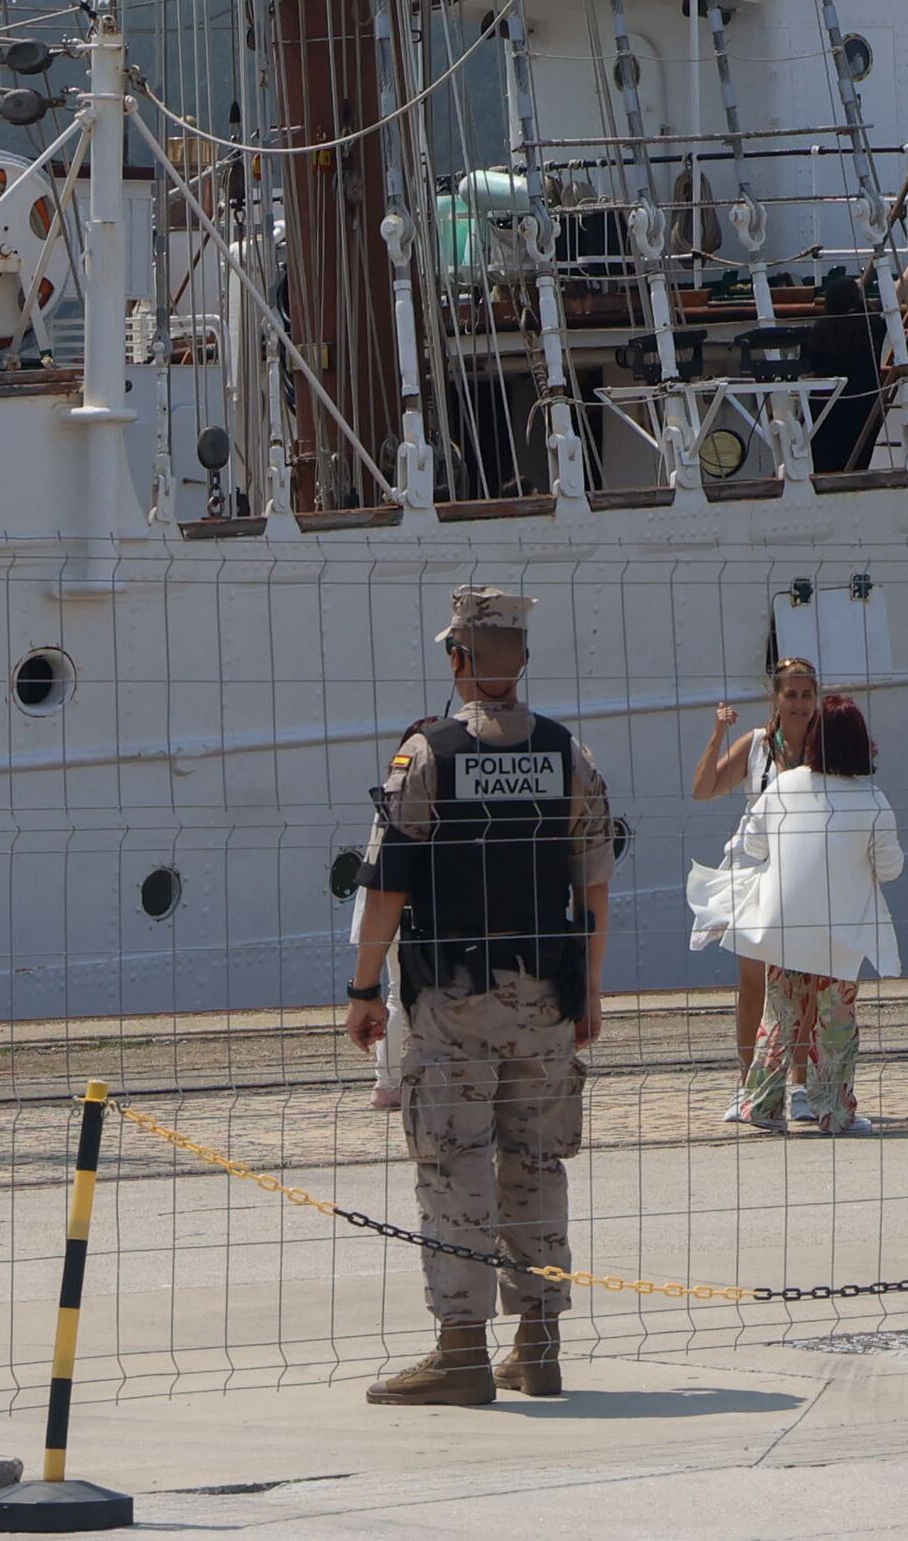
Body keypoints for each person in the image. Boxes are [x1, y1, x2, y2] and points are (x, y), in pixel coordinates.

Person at [346, 584, 613, 1408]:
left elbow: (386, 887)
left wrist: (364, 990)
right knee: (536, 1166)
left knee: (453, 1165)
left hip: (453, 1000)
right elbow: (595, 886)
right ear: (522, 658)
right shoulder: (571, 755)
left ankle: (461, 1349)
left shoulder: (425, 756)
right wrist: (590, 993)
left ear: (460, 658)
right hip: (545, 997)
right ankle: (539, 1344)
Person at [710, 695, 900, 1132]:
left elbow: (753, 845)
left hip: (785, 926)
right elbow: (890, 868)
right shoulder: (871, 799)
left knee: (780, 1015)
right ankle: (833, 1111)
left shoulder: (784, 784)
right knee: (834, 1021)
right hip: (839, 931)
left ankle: (759, 1105)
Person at [688, 655, 824, 1101]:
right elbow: (703, 789)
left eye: (807, 695)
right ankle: (748, 1082)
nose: (799, 704)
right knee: (753, 980)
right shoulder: (756, 745)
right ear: (776, 697)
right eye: (791, 694)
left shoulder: (825, 744)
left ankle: (799, 1083)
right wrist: (717, 734)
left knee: (803, 979)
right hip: (754, 869)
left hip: (805, 868)